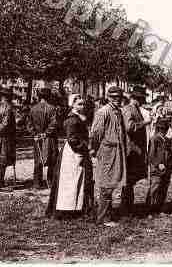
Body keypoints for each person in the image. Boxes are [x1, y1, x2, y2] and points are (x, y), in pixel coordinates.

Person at [46, 94, 94, 220]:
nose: (82, 106)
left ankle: (76, 208)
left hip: (77, 151)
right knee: (70, 181)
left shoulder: (79, 117)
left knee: (78, 180)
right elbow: (72, 139)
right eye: (79, 104)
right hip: (73, 153)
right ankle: (66, 210)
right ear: (72, 105)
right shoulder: (71, 119)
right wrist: (85, 147)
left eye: (83, 104)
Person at [90, 86, 128, 227]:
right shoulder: (103, 112)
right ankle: (103, 218)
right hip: (107, 152)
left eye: (119, 97)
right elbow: (95, 134)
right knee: (106, 184)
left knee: (113, 182)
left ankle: (108, 212)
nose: (116, 100)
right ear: (108, 97)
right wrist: (94, 150)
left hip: (117, 151)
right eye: (113, 97)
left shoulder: (118, 111)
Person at [122, 86, 152, 216]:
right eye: (140, 98)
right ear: (134, 98)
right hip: (131, 149)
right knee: (128, 180)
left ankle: (128, 206)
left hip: (135, 148)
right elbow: (129, 127)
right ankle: (126, 207)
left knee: (131, 180)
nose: (142, 101)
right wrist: (145, 123)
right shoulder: (129, 109)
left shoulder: (135, 109)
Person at [27, 87, 59, 189]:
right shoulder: (52, 108)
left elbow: (28, 124)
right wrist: (46, 133)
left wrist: (35, 134)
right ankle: (50, 181)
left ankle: (37, 183)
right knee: (52, 160)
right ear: (49, 96)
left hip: (37, 138)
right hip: (49, 138)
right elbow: (54, 123)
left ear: (39, 96)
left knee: (38, 160)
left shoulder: (33, 109)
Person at [146, 118, 172, 214]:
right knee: (154, 188)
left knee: (163, 188)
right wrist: (158, 164)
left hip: (166, 168)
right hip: (157, 169)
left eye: (165, 129)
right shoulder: (154, 139)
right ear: (158, 129)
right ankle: (150, 209)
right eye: (161, 129)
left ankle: (159, 208)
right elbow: (151, 155)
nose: (163, 131)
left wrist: (170, 165)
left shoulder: (167, 140)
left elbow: (170, 154)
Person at [0, 88, 16, 188]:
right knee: (2, 159)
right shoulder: (8, 107)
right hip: (5, 137)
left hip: (3, 136)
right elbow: (5, 124)